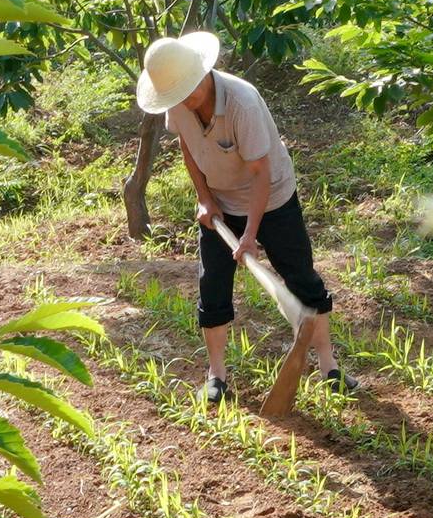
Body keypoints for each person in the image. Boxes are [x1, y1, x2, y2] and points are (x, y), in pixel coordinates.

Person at [133, 31, 343, 407]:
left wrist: (249, 236)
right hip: (220, 200)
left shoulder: (241, 103)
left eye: (188, 91)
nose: (182, 100)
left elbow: (260, 173)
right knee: (212, 283)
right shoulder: (177, 97)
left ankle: (329, 367)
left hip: (272, 194)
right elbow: (186, 143)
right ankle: (216, 375)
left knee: (300, 276)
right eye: (175, 96)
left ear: (202, 73)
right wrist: (204, 197)